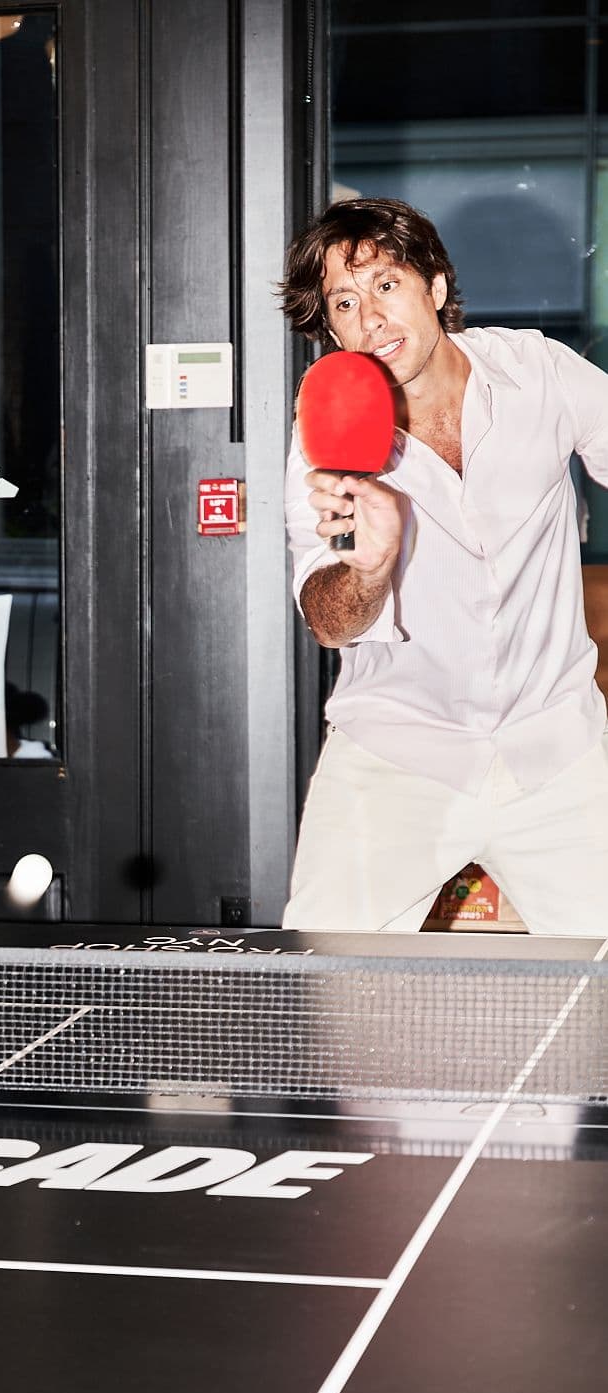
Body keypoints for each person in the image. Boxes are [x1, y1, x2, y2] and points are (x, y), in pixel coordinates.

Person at [278, 195, 608, 934]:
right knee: (324, 980)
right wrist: (367, 569)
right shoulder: (325, 444)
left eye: (385, 284)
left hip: (554, 749)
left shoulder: (540, 374)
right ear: (331, 329)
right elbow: (328, 620)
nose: (370, 318)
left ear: (433, 286)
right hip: (396, 757)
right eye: (344, 302)